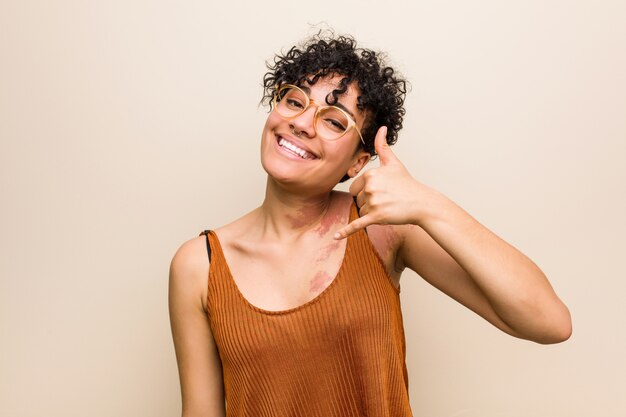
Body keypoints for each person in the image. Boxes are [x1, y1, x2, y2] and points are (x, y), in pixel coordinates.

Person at [168, 32, 572, 417]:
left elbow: (548, 322)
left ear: (358, 163)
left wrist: (429, 205)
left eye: (334, 121)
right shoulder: (198, 265)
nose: (303, 123)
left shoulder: (380, 228)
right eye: (294, 101)